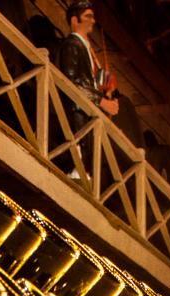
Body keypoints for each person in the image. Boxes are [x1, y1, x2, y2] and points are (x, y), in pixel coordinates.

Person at [51, 1, 118, 176]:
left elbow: (88, 80)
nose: (93, 21)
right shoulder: (72, 45)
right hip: (76, 115)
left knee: (86, 166)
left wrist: (106, 84)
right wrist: (102, 101)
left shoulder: (85, 47)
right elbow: (72, 83)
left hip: (84, 115)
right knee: (79, 165)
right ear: (75, 20)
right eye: (88, 16)